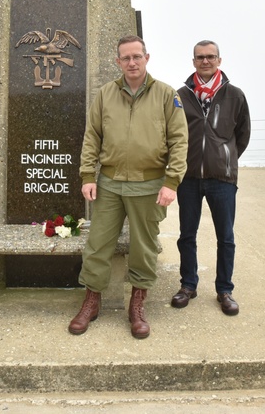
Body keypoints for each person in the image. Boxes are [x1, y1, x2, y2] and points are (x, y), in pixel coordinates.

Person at [69, 35, 188, 339]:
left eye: (137, 56)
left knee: (144, 248)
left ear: (147, 58)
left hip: (149, 187)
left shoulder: (166, 95)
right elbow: (92, 137)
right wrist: (87, 176)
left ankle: (137, 305)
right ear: (117, 61)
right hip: (109, 185)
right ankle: (91, 302)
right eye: (126, 58)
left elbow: (179, 140)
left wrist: (171, 181)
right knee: (97, 245)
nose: (132, 62)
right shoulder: (106, 94)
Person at [171, 40, 251, 316]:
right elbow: (173, 133)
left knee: (225, 237)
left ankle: (224, 290)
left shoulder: (235, 95)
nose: (205, 61)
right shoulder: (180, 95)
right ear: (193, 61)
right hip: (189, 177)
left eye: (210, 57)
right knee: (187, 235)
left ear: (219, 60)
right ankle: (188, 285)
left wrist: (225, 158)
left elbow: (242, 135)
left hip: (222, 179)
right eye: (200, 57)